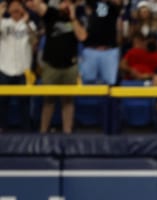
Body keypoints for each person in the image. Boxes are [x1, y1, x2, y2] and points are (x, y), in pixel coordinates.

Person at [26, 0, 87, 135]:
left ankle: (67, 133)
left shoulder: (78, 18)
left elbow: (82, 36)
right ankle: (43, 132)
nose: (66, 4)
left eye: (69, 2)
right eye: (64, 2)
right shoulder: (51, 14)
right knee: (48, 101)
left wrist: (72, 18)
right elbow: (37, 5)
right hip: (51, 65)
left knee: (68, 101)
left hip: (70, 66)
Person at [0, 0, 37, 133]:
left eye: (18, 7)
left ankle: (26, 132)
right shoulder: (4, 24)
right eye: (13, 7)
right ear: (9, 9)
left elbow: (34, 43)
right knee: (2, 104)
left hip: (23, 71)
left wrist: (26, 23)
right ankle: (2, 129)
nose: (15, 9)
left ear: (22, 9)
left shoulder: (30, 24)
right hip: (5, 69)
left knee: (25, 105)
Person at [81, 0, 123, 85]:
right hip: (91, 49)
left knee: (110, 83)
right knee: (88, 82)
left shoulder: (113, 6)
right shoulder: (90, 4)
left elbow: (119, 3)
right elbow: (86, 9)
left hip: (109, 50)